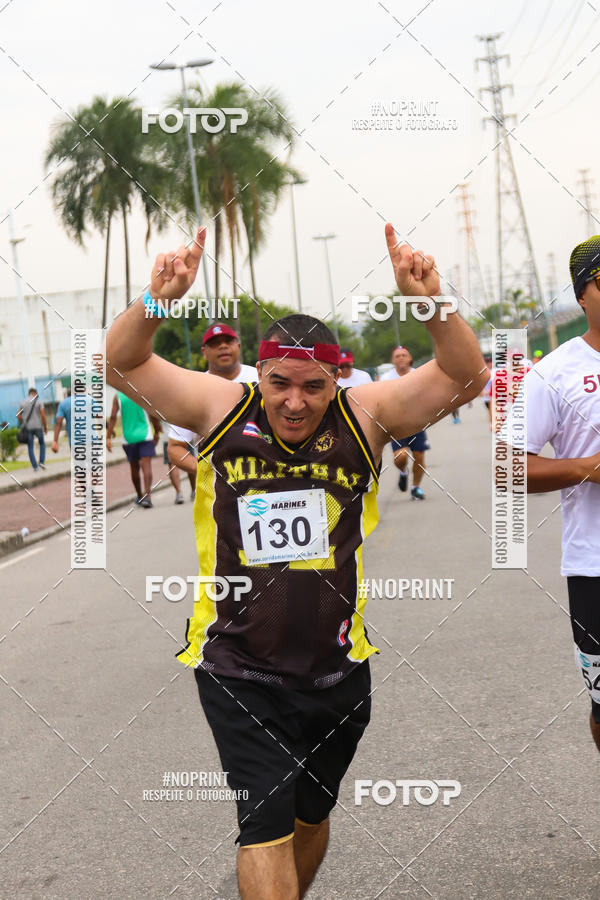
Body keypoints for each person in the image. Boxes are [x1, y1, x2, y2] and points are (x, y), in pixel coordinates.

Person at [105, 224, 487, 899]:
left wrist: (430, 303)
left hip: (338, 666)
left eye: (312, 387)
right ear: (261, 373)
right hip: (238, 662)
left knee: (311, 817)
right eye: (280, 383)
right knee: (266, 825)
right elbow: (120, 363)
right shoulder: (225, 406)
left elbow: (466, 374)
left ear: (336, 378)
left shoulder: (365, 416)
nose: (293, 402)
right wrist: (158, 301)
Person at [522, 235, 600, 754]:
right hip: (595, 566)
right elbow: (510, 469)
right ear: (581, 295)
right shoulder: (552, 374)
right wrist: (589, 469)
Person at [166, 322, 257, 496]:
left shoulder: (259, 379)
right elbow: (174, 448)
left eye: (228, 341)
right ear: (204, 352)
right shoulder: (193, 390)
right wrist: (207, 473)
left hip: (265, 482)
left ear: (238, 345)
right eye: (215, 343)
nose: (223, 346)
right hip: (218, 493)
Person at [381, 346, 429, 498]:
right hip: (396, 424)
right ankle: (403, 472)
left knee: (419, 457)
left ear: (410, 358)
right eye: (397, 356)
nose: (401, 358)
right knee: (401, 457)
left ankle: (416, 488)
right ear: (392, 360)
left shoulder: (418, 375)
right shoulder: (386, 378)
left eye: (404, 355)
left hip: (417, 423)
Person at [106, 392, 161, 508]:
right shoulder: (140, 391)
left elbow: (112, 417)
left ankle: (140, 496)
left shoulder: (118, 396)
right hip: (145, 435)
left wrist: (108, 437)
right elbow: (152, 413)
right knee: (146, 466)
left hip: (128, 438)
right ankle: (148, 497)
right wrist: (157, 431)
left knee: (134, 468)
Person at [17, 387, 47, 471]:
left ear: (29, 393)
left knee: (30, 446)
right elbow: (43, 415)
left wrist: (24, 421)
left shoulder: (22, 402)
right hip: (38, 427)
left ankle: (34, 466)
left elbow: (18, 416)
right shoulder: (38, 401)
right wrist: (45, 427)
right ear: (35, 394)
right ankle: (41, 462)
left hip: (28, 428)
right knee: (42, 444)